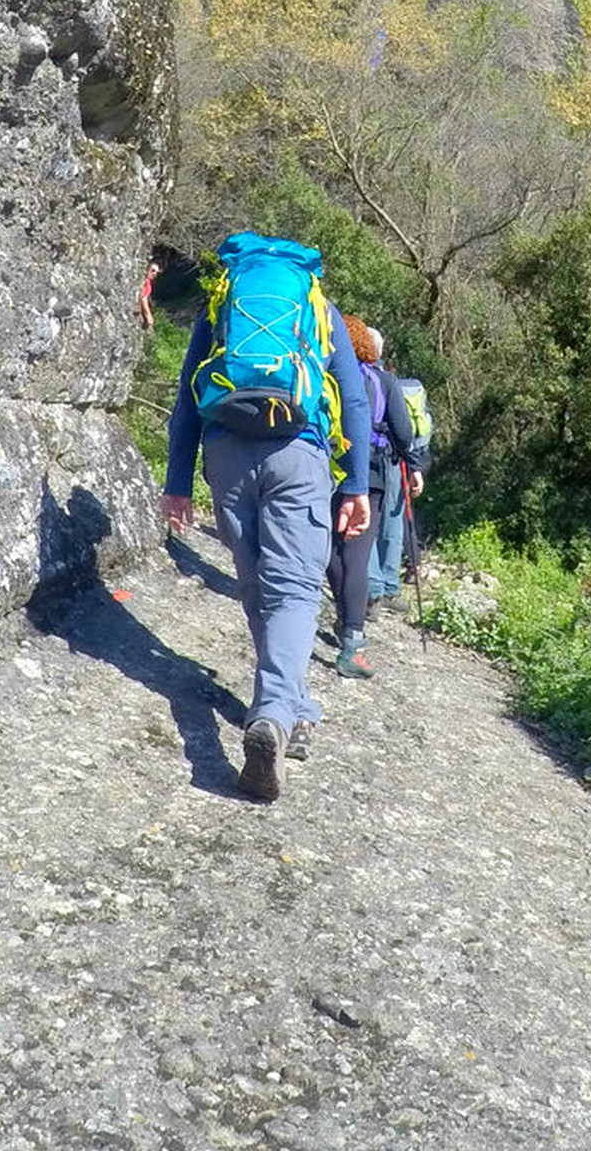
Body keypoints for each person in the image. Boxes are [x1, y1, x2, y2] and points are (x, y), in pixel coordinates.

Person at [161, 233, 370, 802]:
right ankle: (275, 716)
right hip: (298, 452)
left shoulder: (223, 304)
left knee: (258, 585)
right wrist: (354, 484)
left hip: (227, 452)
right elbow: (352, 400)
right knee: (296, 590)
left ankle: (290, 705)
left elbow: (187, 396)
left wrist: (176, 482)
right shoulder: (320, 311)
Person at [327, 316, 404, 678]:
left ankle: (345, 618)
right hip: (369, 473)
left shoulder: (325, 372)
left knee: (329, 550)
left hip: (324, 467)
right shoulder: (383, 381)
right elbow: (403, 431)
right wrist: (416, 463)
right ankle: (352, 640)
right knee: (355, 554)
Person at [367, 331, 430, 608]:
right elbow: (404, 431)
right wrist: (414, 464)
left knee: (366, 523)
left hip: (364, 458)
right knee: (392, 522)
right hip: (394, 459)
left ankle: (373, 590)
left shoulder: (352, 378)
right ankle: (389, 586)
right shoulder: (389, 381)